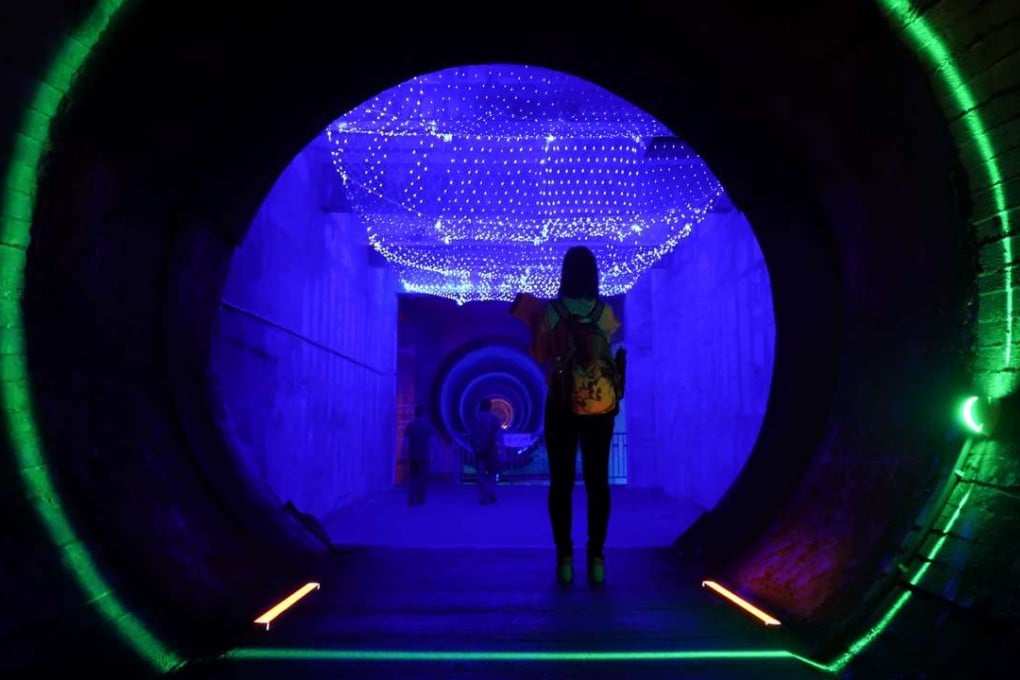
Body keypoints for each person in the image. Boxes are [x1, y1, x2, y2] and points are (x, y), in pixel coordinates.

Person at [524, 246, 621, 586]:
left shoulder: (553, 311)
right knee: (598, 483)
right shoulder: (604, 312)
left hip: (562, 403)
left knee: (561, 484)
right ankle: (596, 559)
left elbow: (540, 354)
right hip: (599, 407)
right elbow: (606, 348)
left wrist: (535, 321)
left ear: (564, 274)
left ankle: (564, 559)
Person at [470, 398, 503, 505]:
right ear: (490, 407)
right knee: (492, 473)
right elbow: (499, 435)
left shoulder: (477, 418)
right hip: (493, 449)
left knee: (481, 474)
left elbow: (474, 435)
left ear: (481, 406)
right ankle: (492, 494)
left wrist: (474, 447)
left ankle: (484, 497)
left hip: (481, 450)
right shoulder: (496, 419)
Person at [403, 405, 436, 506]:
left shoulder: (410, 425)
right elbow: (432, 442)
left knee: (412, 477)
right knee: (422, 477)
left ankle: (411, 498)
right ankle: (420, 498)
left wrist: (405, 453)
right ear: (423, 414)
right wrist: (432, 455)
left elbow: (406, 441)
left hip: (412, 454)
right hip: (424, 455)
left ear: (415, 414)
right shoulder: (428, 426)